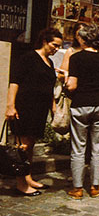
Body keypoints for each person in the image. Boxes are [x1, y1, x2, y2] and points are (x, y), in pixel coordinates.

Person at [5, 28, 63, 196]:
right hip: (26, 106)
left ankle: (28, 176)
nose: (56, 49)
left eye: (59, 46)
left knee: (30, 145)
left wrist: (53, 106)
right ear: (45, 41)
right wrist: (10, 105)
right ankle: (20, 183)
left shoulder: (49, 62)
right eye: (54, 45)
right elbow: (15, 81)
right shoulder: (28, 58)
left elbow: (49, 85)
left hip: (39, 108)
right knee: (22, 146)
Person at [65, 24, 99, 199]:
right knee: (98, 147)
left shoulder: (76, 58)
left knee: (78, 147)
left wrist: (65, 86)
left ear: (82, 39)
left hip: (81, 103)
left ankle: (77, 188)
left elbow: (72, 85)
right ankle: (94, 186)